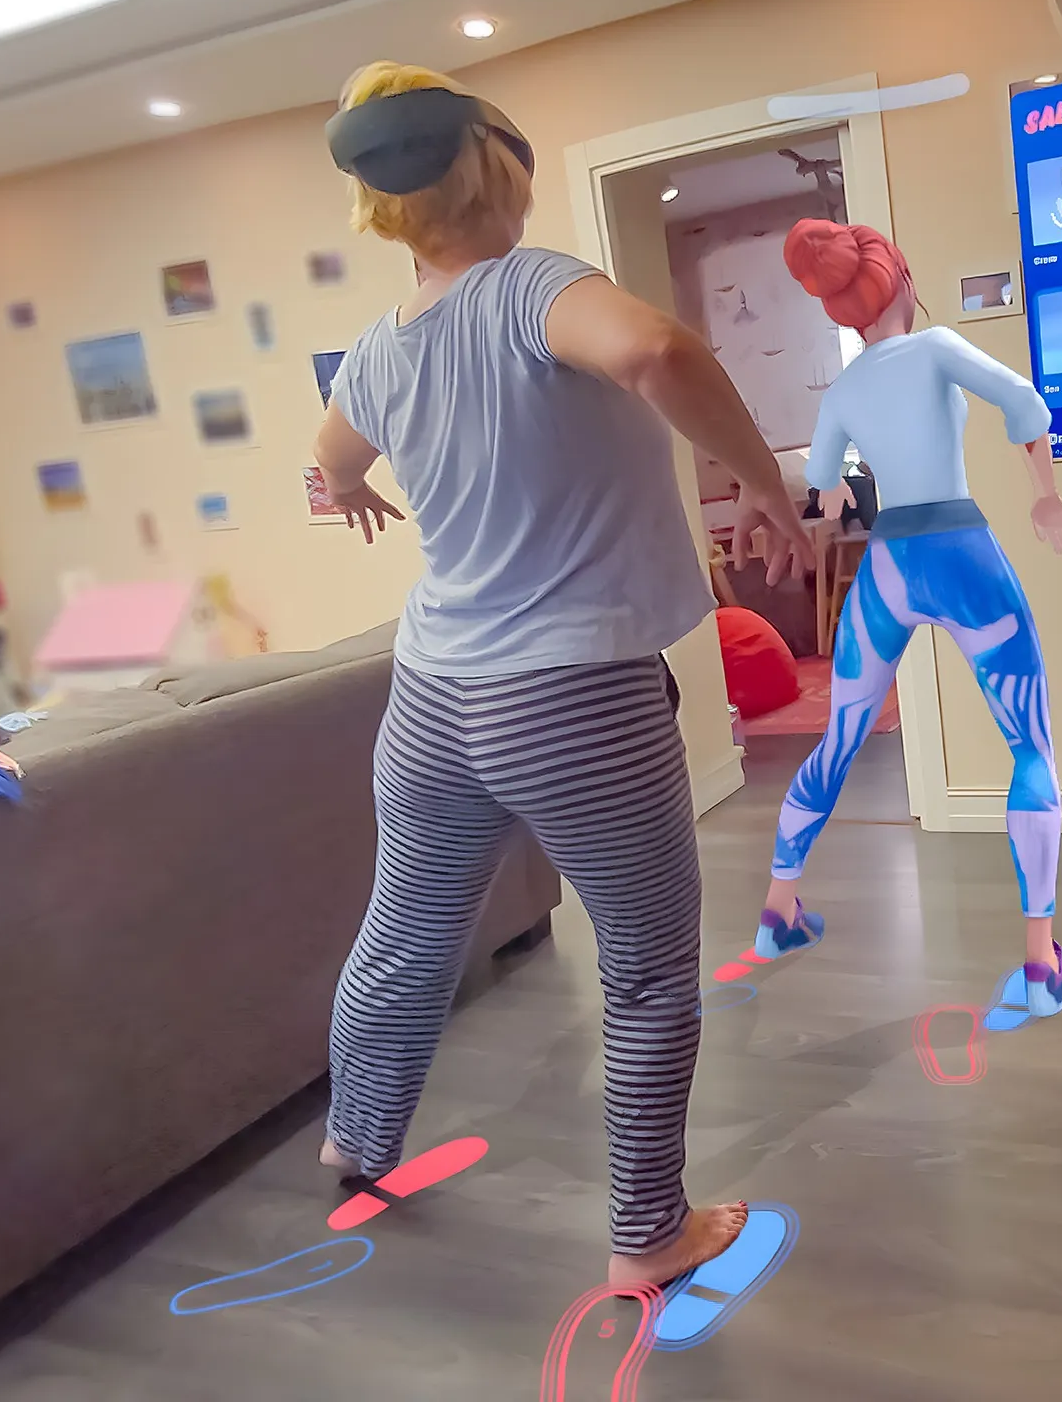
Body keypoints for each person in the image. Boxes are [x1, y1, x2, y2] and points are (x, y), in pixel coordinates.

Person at [310, 62, 814, 1287]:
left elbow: (327, 462)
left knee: (404, 935)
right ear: (501, 167)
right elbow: (656, 348)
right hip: (570, 693)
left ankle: (355, 1138)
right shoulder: (534, 288)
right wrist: (761, 482)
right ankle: (649, 1232)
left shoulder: (378, 349)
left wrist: (353, 491)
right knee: (646, 966)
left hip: (432, 692)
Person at [758, 220, 1062, 1018]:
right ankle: (1040, 962)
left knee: (838, 739)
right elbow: (1023, 402)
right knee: (1029, 746)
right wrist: (1045, 495)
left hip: (888, 567)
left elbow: (820, 479)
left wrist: (832, 495)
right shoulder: (936, 346)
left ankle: (778, 910)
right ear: (901, 281)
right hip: (960, 553)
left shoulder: (845, 389)